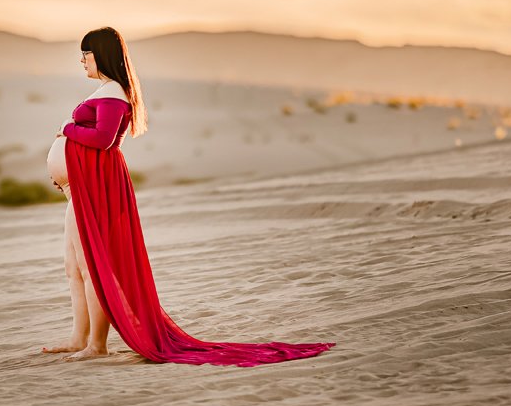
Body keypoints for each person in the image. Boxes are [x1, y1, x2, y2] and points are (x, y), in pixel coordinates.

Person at [42, 26, 336, 366]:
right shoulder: (106, 91)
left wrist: (66, 128)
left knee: (94, 266)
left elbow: (104, 139)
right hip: (83, 185)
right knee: (73, 265)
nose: (82, 61)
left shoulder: (114, 93)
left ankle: (97, 344)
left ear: (101, 55)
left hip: (97, 187)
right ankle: (78, 337)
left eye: (86, 54)